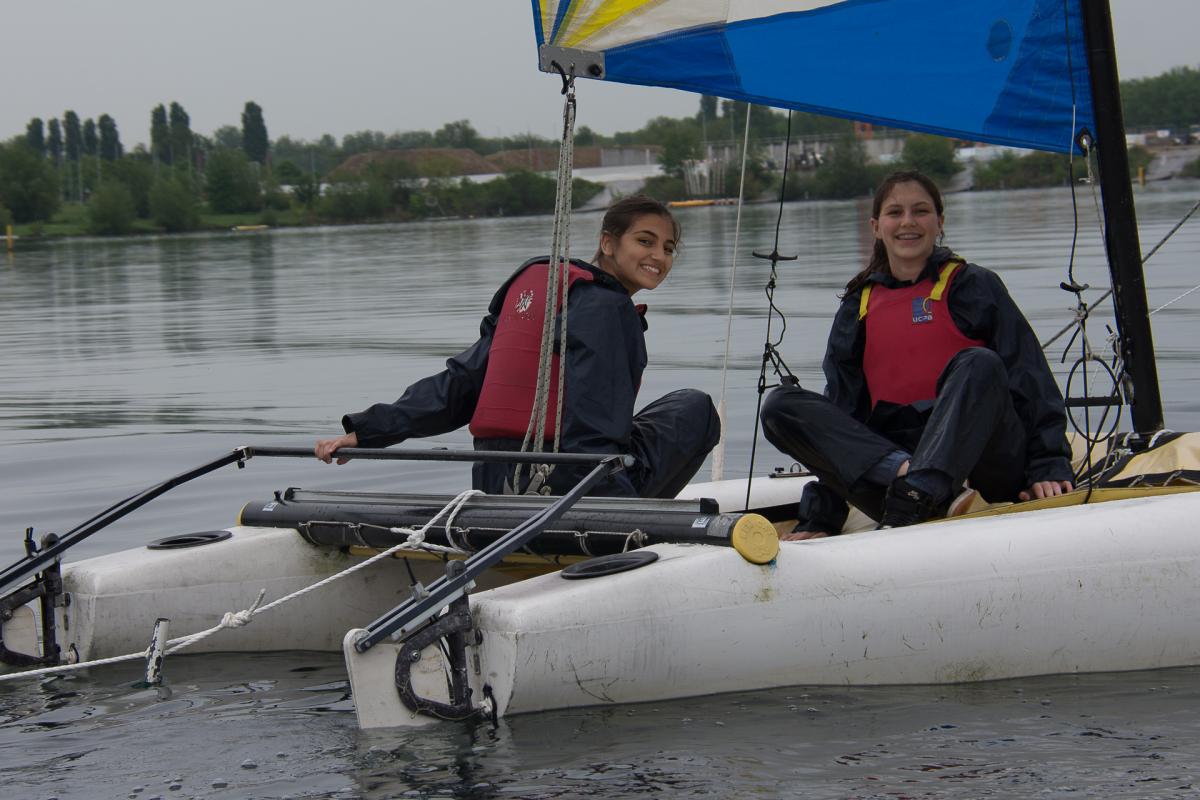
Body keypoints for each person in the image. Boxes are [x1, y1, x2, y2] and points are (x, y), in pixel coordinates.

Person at [314, 194, 720, 498]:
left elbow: (461, 385)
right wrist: (613, 504)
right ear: (608, 243)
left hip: (493, 483)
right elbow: (591, 428)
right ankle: (635, 529)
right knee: (694, 409)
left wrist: (367, 432)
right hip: (572, 492)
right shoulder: (611, 308)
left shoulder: (539, 291)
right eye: (645, 241)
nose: (658, 256)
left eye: (668, 248)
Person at [761, 170, 1073, 539]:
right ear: (876, 227)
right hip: (895, 482)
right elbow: (845, 416)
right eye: (895, 213)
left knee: (980, 363)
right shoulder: (857, 305)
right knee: (781, 406)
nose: (908, 222)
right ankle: (918, 484)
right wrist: (821, 517)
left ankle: (924, 488)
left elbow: (1030, 379)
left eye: (920, 211)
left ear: (940, 222)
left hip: (986, 468)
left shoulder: (975, 286)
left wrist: (1049, 465)